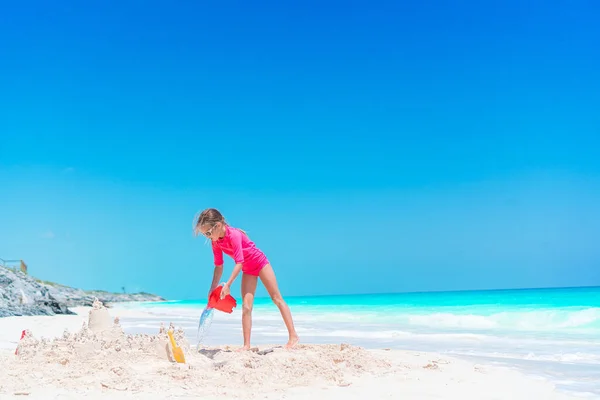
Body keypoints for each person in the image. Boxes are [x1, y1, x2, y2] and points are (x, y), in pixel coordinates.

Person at [193, 208, 299, 350]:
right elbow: (219, 266)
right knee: (246, 307)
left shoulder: (234, 235)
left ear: (217, 225)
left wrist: (228, 284)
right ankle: (246, 345)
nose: (207, 237)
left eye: (208, 233)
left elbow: (239, 262)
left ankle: (293, 336)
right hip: (248, 269)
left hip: (260, 262)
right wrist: (212, 289)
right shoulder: (216, 242)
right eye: (204, 234)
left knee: (276, 298)